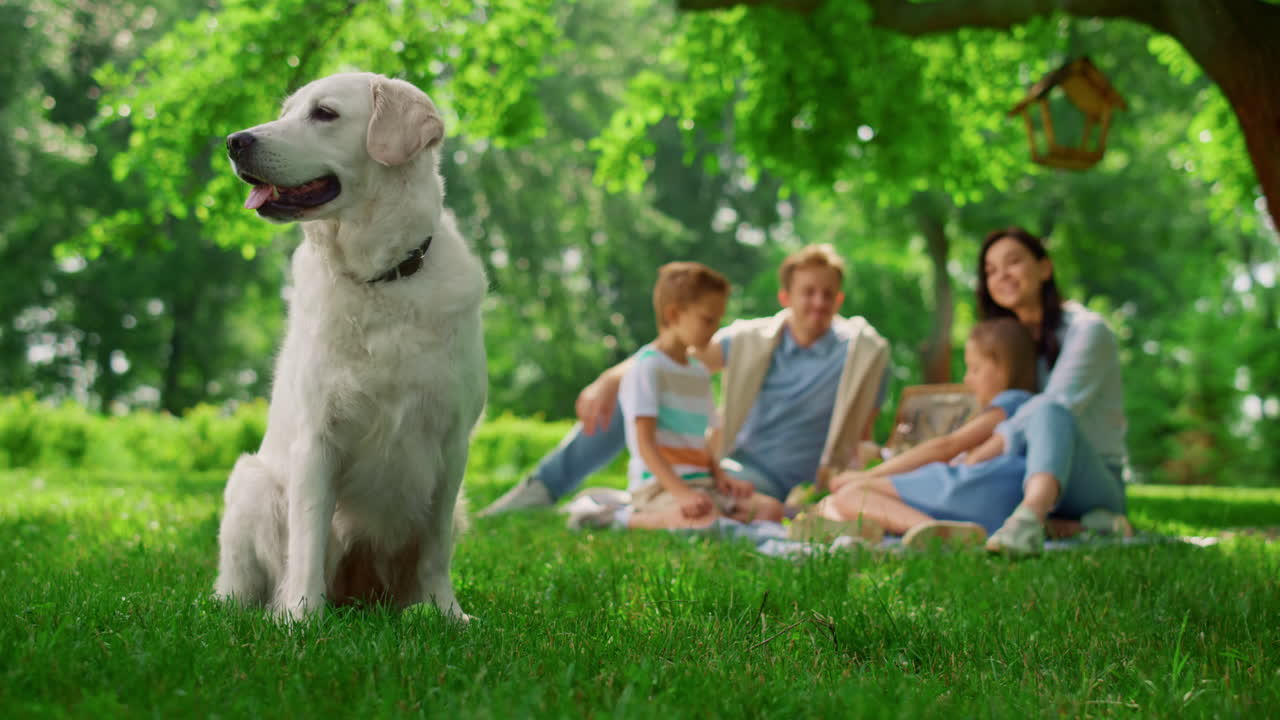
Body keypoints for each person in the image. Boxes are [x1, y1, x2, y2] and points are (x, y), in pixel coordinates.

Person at [481, 244, 891, 515]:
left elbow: (863, 434)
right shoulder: (753, 339)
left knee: (699, 500)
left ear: (839, 299)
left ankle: (614, 509)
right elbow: (672, 353)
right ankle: (542, 489)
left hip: (789, 479)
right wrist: (609, 379)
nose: (817, 302)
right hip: (735, 464)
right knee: (632, 392)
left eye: (827, 294)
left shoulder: (861, 356)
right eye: (808, 292)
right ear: (786, 296)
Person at [574, 262, 784, 529]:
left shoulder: (699, 372)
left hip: (702, 483)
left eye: (719, 320)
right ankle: (622, 519)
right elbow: (644, 444)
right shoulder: (647, 368)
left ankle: (720, 519)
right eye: (708, 319)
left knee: (770, 509)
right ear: (673, 314)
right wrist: (681, 494)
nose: (715, 328)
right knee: (703, 522)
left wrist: (720, 477)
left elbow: (703, 442)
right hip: (658, 487)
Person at [966, 227, 1132, 556]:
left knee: (1047, 411)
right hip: (1026, 466)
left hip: (1090, 475)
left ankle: (1027, 522)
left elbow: (1055, 409)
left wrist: (978, 455)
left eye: (1013, 262)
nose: (1002, 276)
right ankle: (1084, 526)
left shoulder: (1088, 331)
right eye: (991, 271)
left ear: (1044, 268)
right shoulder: (1008, 344)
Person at [816, 318, 1039, 550]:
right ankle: (859, 523)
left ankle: (937, 532)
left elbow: (947, 447)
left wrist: (867, 476)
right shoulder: (1024, 412)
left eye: (975, 369)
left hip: (972, 487)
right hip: (978, 497)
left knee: (852, 494)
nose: (967, 379)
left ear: (1003, 368)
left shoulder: (1011, 403)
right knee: (838, 501)